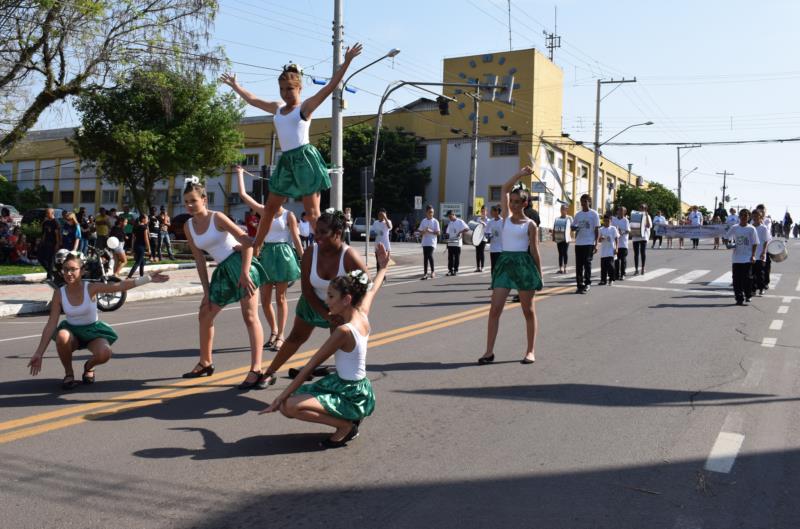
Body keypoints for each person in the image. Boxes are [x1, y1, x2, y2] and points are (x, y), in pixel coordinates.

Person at [220, 44, 363, 251]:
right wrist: (236, 86)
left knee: (312, 213)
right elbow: (253, 100)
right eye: (282, 89)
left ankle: (329, 246)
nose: (286, 93)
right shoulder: (277, 108)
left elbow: (330, 86)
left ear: (299, 88)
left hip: (304, 160)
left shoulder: (304, 108)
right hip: (286, 161)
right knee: (269, 208)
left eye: (290, 89)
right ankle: (256, 245)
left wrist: (347, 61)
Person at [260, 243, 391, 449]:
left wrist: (279, 398)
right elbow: (372, 288)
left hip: (351, 394)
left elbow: (310, 367)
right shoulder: (361, 313)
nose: (326, 301)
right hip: (349, 385)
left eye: (331, 296)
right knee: (292, 400)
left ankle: (345, 426)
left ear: (347, 299)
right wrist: (382, 267)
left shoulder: (344, 331)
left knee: (289, 406)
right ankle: (346, 420)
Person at [257, 210, 368, 387]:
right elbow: (307, 291)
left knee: (338, 344)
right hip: (312, 302)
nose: (317, 237)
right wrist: (326, 315)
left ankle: (335, 376)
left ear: (338, 234)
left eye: (324, 232)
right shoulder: (310, 253)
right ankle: (269, 373)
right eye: (316, 231)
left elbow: (365, 287)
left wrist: (349, 312)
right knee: (295, 338)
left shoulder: (349, 257)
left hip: (340, 307)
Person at [28, 253, 169, 389]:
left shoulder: (91, 288)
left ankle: (89, 367)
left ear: (82, 271)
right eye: (65, 269)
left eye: (73, 269)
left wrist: (147, 279)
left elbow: (119, 286)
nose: (68, 273)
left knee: (105, 353)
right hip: (72, 333)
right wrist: (39, 353)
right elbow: (51, 325)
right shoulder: (59, 293)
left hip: (92, 331)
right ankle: (69, 374)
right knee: (61, 335)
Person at [182, 178, 268, 389]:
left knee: (249, 316)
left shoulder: (217, 217)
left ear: (204, 199)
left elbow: (247, 242)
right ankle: (205, 363)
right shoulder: (188, 226)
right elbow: (199, 259)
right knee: (205, 313)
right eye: (186, 202)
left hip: (241, 265)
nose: (190, 205)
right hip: (222, 271)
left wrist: (245, 273)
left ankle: (256, 370)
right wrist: (206, 290)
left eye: (193, 200)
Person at [478, 166, 542, 366]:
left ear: (525, 203)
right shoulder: (505, 217)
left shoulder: (531, 225)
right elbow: (505, 188)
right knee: (494, 309)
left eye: (517, 202)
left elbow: (534, 251)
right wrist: (520, 174)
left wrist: (539, 275)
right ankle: (489, 352)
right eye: (511, 202)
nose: (513, 205)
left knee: (528, 311)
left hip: (523, 264)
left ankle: (530, 350)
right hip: (505, 263)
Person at [236, 166, 303, 353]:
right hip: (265, 254)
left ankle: (281, 335)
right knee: (264, 299)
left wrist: (304, 258)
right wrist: (240, 174)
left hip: (283, 254)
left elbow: (296, 238)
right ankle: (273, 332)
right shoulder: (264, 210)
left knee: (280, 297)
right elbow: (243, 195)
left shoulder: (289, 215)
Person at [726, 209, 758, 306]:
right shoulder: (735, 228)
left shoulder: (751, 229)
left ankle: (748, 295)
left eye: (746, 215)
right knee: (736, 279)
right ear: (739, 217)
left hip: (747, 258)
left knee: (747, 278)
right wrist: (729, 244)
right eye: (742, 215)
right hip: (737, 258)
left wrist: (753, 255)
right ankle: (739, 298)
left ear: (748, 217)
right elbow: (727, 237)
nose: (744, 217)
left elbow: (755, 243)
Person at [572, 194, 599, 294]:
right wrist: (573, 227)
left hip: (589, 242)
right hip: (579, 243)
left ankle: (587, 283)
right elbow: (573, 226)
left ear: (589, 202)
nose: (583, 204)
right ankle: (579, 285)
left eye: (585, 202)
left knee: (587, 263)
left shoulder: (594, 214)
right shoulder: (578, 214)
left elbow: (596, 230)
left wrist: (596, 244)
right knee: (579, 265)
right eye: (582, 202)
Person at [751, 209, 771, 296]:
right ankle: (753, 289)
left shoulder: (763, 228)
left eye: (757, 216)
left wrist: (764, 252)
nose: (755, 218)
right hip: (751, 254)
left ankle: (761, 288)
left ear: (760, 217)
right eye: (754, 216)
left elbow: (766, 240)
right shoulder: (750, 227)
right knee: (752, 273)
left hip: (760, 254)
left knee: (760, 273)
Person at [417, 205, 440, 280]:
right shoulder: (424, 221)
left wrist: (431, 231)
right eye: (430, 212)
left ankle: (433, 271)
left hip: (432, 242)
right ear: (426, 212)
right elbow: (420, 231)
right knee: (425, 257)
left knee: (430, 255)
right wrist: (423, 231)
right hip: (425, 241)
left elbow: (438, 233)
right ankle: (425, 273)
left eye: (432, 212)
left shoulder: (435, 221)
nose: (431, 213)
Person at [38, 208, 61, 281]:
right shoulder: (46, 222)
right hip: (45, 243)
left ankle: (49, 277)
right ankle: (52, 273)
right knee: (40, 258)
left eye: (48, 213)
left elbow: (57, 234)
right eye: (46, 213)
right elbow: (43, 233)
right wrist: (41, 242)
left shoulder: (56, 222)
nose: (46, 214)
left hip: (52, 243)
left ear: (52, 213)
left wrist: (57, 244)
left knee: (50, 260)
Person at [444, 210, 469, 276]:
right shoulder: (450, 223)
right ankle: (450, 270)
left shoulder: (460, 221)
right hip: (451, 241)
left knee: (456, 257)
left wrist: (460, 232)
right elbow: (447, 232)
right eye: (448, 217)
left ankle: (455, 270)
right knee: (450, 257)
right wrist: (447, 241)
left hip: (457, 242)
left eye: (450, 216)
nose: (449, 218)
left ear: (453, 215)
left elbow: (467, 228)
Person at [598, 212, 620, 286]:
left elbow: (617, 238)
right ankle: (603, 280)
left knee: (611, 266)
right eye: (605, 221)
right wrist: (601, 238)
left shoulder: (613, 228)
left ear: (610, 221)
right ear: (603, 221)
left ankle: (611, 279)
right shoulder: (601, 229)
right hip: (604, 251)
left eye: (608, 221)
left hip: (611, 250)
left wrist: (616, 248)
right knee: (603, 266)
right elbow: (599, 240)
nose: (606, 222)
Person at [632, 203, 652, 275]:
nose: (641, 209)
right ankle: (636, 269)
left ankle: (643, 268)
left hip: (644, 237)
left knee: (642, 252)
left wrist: (646, 216)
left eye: (643, 208)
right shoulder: (635, 216)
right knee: (636, 254)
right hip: (636, 237)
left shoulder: (648, 216)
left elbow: (649, 225)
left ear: (646, 209)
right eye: (640, 207)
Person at [552, 204, 572, 274]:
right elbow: (554, 228)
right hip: (559, 238)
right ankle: (561, 268)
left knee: (565, 252)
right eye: (561, 209)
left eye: (563, 209)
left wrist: (568, 232)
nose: (562, 210)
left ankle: (565, 268)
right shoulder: (557, 219)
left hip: (567, 238)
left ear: (566, 210)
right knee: (560, 253)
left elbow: (572, 227)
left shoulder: (569, 218)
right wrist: (553, 236)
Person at [611, 206, 629, 280]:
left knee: (623, 259)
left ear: (624, 212)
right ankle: (616, 274)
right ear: (617, 211)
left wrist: (622, 232)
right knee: (616, 259)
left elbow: (628, 230)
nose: (620, 212)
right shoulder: (614, 219)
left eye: (622, 211)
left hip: (623, 243)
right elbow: (611, 228)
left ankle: (623, 274)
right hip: (615, 243)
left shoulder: (626, 220)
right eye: (619, 210)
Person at [487, 205, 504, 278]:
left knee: (500, 266)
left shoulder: (503, 221)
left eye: (492, 211)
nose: (490, 212)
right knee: (493, 266)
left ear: (497, 212)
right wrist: (488, 236)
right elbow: (487, 232)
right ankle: (493, 283)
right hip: (493, 248)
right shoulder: (490, 222)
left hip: (501, 248)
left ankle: (500, 283)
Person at [474, 206, 488, 272]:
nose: (482, 213)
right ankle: (477, 267)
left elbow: (488, 228)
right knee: (477, 252)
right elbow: (476, 227)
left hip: (483, 238)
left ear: (486, 212)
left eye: (484, 211)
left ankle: (482, 266)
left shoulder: (488, 220)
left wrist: (483, 223)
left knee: (481, 252)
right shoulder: (478, 219)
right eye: (482, 211)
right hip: (477, 238)